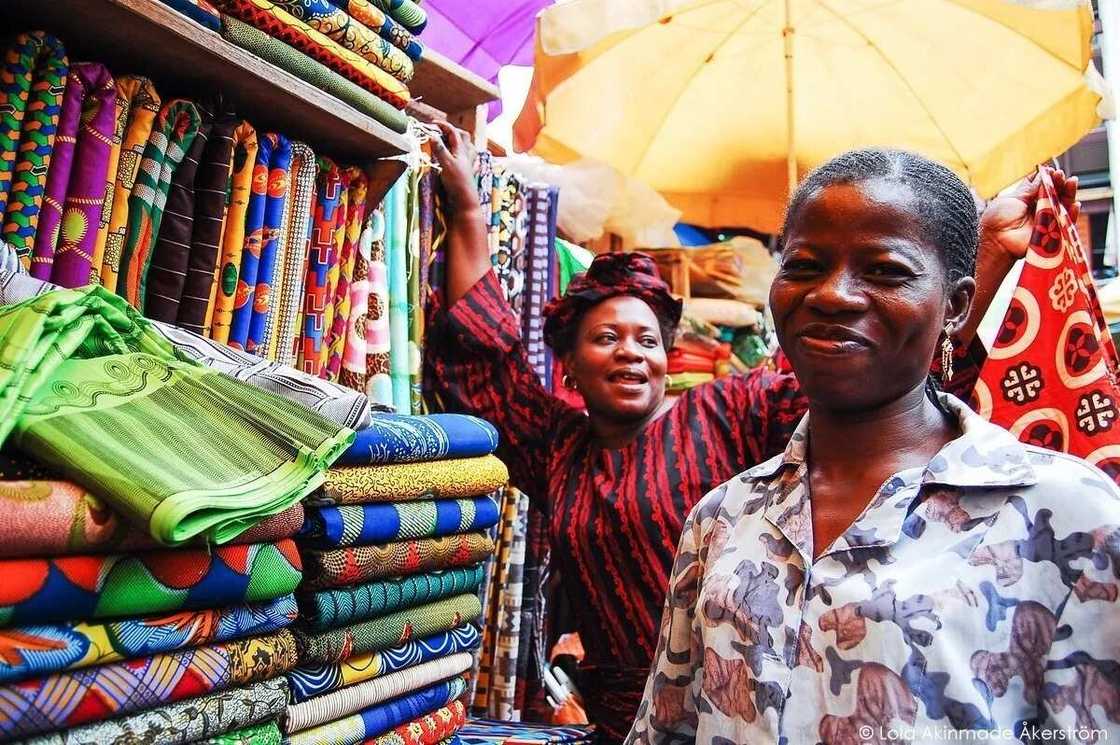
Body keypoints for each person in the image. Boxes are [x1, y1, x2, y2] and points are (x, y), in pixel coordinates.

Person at [426, 123, 1081, 742]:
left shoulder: (725, 414)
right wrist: (467, 213)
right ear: (567, 361)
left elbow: (871, 371)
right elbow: (485, 364)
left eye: (647, 339)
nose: (631, 353)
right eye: (607, 338)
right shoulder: (559, 449)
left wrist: (988, 257)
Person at [625, 149, 1120, 744]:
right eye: (804, 265)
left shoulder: (1071, 518)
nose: (833, 295)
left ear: (957, 306)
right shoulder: (723, 518)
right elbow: (669, 727)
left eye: (886, 271)